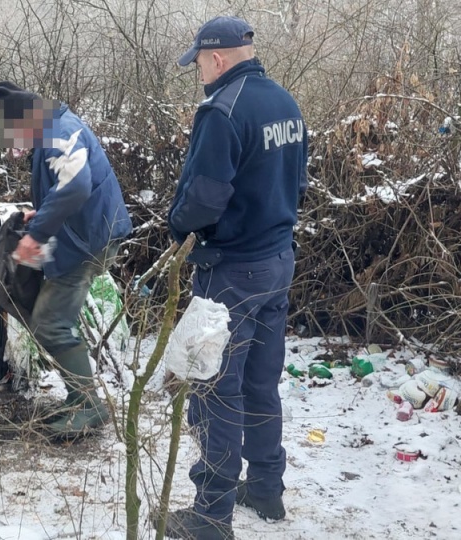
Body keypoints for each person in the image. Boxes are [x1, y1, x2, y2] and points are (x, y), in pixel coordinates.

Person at [160, 16, 307, 540]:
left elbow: (203, 198)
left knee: (215, 389)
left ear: (216, 57)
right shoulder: (285, 103)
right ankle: (266, 489)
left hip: (232, 272)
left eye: (198, 62)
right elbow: (298, 182)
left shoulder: (221, 111)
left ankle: (211, 514)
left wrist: (176, 225)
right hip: (277, 259)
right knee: (261, 381)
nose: (197, 71)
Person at [0, 81, 132, 438]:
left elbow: (77, 186)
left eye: (11, 137)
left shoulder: (57, 132)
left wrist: (35, 237)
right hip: (87, 233)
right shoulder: (53, 126)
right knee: (56, 318)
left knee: (49, 322)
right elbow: (65, 185)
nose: (13, 149)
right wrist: (44, 213)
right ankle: (81, 398)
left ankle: (90, 406)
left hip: (88, 240)